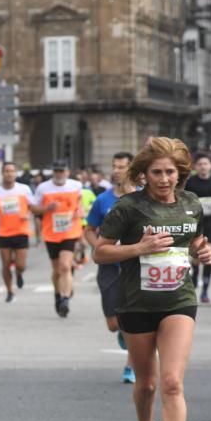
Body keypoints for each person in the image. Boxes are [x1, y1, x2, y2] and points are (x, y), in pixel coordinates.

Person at [93, 137, 211, 421]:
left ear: (179, 173)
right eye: (156, 172)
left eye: (169, 172)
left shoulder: (191, 204)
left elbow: (195, 242)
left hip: (179, 301)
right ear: (144, 174)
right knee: (146, 384)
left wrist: (202, 252)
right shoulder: (129, 207)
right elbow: (100, 252)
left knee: (172, 381)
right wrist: (139, 248)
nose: (164, 179)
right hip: (136, 304)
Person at [85, 151, 137, 383]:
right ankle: (124, 334)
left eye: (122, 166)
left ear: (132, 169)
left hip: (135, 265)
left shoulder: (142, 198)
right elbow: (89, 229)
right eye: (114, 166)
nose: (116, 171)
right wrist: (99, 248)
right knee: (113, 324)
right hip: (109, 267)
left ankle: (131, 366)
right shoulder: (103, 200)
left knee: (133, 317)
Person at [30, 162, 83, 317]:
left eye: (62, 171)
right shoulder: (43, 188)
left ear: (67, 172)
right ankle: (57, 294)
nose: (59, 174)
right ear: (53, 173)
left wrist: (80, 211)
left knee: (65, 266)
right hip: (51, 233)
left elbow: (79, 204)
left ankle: (65, 300)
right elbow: (33, 209)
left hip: (70, 231)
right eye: (56, 171)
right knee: (57, 270)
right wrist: (46, 208)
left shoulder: (76, 185)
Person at [0, 161, 33, 302]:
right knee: (5, 264)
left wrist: (28, 214)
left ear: (16, 173)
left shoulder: (24, 189)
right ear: (2, 173)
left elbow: (33, 206)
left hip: (21, 231)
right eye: (7, 171)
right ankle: (9, 291)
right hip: (4, 233)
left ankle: (19, 273)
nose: (9, 174)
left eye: (12, 171)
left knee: (21, 265)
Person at [184, 153, 211, 303]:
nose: (203, 167)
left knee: (208, 255)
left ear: (210, 166)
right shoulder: (190, 183)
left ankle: (205, 291)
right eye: (200, 164)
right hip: (195, 222)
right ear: (195, 166)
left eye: (205, 164)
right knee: (196, 257)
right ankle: (194, 277)